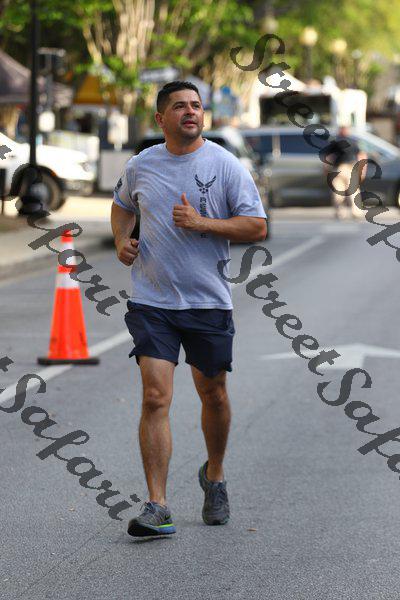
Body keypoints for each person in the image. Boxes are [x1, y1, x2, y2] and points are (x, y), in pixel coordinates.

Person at [111, 80, 268, 537]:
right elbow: (121, 206)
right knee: (155, 396)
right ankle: (157, 504)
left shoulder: (224, 164)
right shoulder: (141, 165)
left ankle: (214, 475)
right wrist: (122, 240)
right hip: (152, 301)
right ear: (161, 119)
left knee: (213, 393)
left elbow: (256, 226)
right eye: (180, 106)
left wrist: (204, 223)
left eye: (196, 105)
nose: (191, 112)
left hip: (207, 301)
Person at [325, 125, 367, 219]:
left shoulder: (335, 142)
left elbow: (328, 157)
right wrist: (363, 170)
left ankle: (340, 212)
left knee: (338, 192)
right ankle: (356, 212)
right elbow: (362, 155)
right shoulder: (354, 142)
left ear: (340, 131)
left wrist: (327, 169)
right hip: (351, 168)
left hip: (339, 169)